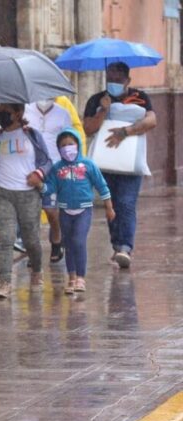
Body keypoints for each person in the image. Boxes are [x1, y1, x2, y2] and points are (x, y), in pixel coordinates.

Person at [83, 61, 157, 269]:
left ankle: (125, 247)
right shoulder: (97, 99)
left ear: (128, 80)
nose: (113, 82)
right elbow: (88, 128)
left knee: (126, 203)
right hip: (105, 164)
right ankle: (117, 246)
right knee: (112, 205)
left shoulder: (141, 97)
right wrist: (103, 111)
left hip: (130, 162)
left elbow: (152, 121)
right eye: (110, 79)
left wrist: (125, 132)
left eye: (118, 79)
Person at [0, 103, 52, 299]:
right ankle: (5, 282)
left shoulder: (32, 136)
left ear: (19, 113)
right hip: (2, 193)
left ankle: (36, 270)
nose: (1, 114)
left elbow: (47, 162)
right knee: (6, 239)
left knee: (31, 239)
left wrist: (39, 173)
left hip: (28, 194)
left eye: (6, 111)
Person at [31, 128, 116, 294]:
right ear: (58, 148)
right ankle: (71, 278)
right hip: (64, 211)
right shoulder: (57, 169)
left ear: (77, 145)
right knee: (68, 244)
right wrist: (40, 186)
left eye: (71, 144)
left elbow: (101, 185)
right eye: (63, 145)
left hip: (83, 210)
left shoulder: (88, 165)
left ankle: (81, 278)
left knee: (78, 240)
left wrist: (109, 207)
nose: (67, 148)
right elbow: (50, 189)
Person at [25, 98, 74, 262]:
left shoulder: (63, 114)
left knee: (51, 211)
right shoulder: (25, 110)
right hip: (30, 168)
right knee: (31, 213)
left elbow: (69, 141)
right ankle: (33, 251)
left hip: (54, 169)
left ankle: (57, 240)